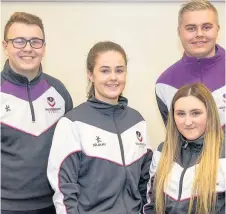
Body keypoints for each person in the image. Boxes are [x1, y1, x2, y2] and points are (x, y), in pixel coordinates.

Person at [47, 41, 153, 214]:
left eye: (119, 70)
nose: (113, 77)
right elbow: (64, 192)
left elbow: (146, 183)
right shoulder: (72, 123)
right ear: (90, 74)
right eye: (105, 70)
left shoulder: (137, 122)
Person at [1, 12, 73, 214]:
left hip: (52, 204)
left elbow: (69, 152)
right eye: (19, 41)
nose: (28, 48)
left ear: (44, 48)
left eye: (35, 42)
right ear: (5, 46)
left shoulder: (59, 91)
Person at [144, 83, 225, 214]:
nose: (187, 122)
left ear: (210, 114)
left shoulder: (223, 154)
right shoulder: (162, 151)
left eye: (196, 113)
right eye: (181, 114)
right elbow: (151, 205)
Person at [155, 0, 225, 129]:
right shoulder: (165, 84)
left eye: (206, 27)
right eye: (191, 28)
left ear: (217, 29)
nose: (199, 34)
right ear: (179, 32)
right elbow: (175, 138)